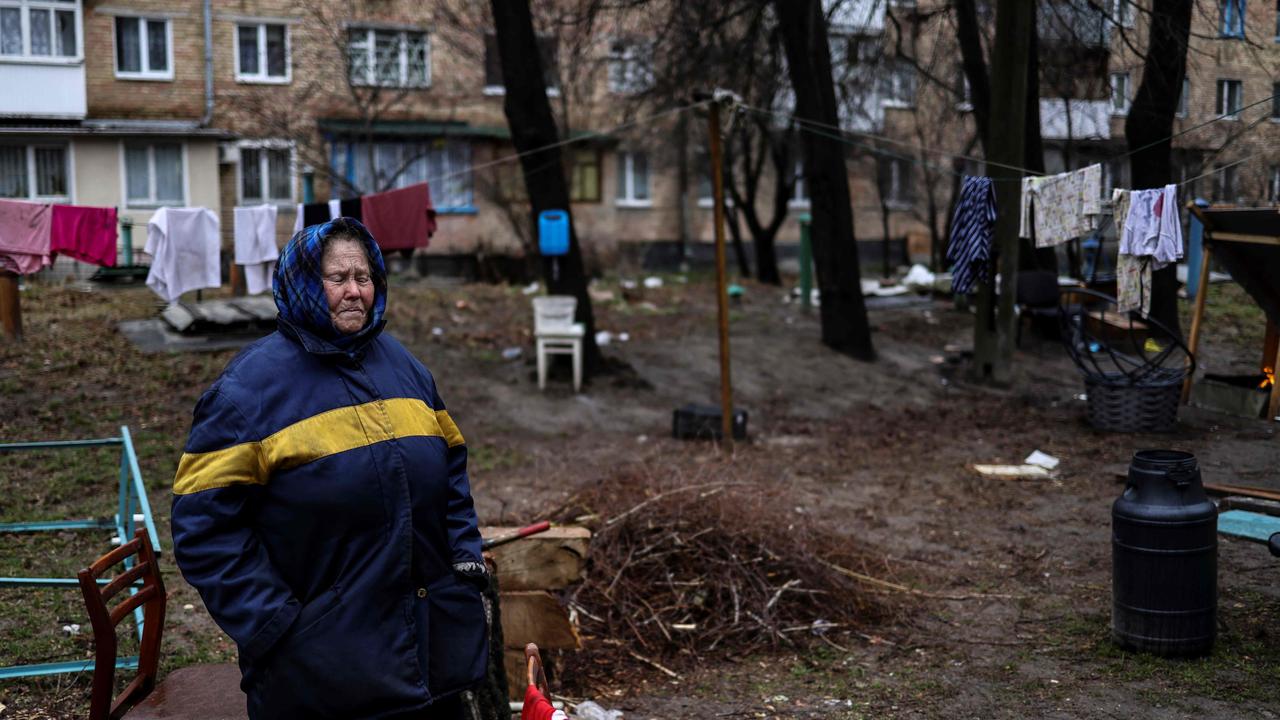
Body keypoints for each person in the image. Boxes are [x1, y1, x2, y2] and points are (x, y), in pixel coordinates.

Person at [171, 218, 487, 719]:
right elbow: (203, 530)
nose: (355, 292)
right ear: (301, 281)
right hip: (322, 678)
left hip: (433, 659)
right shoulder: (246, 394)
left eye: (364, 277)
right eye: (337, 278)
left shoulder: (404, 367)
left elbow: (450, 468)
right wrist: (278, 626)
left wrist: (465, 554)